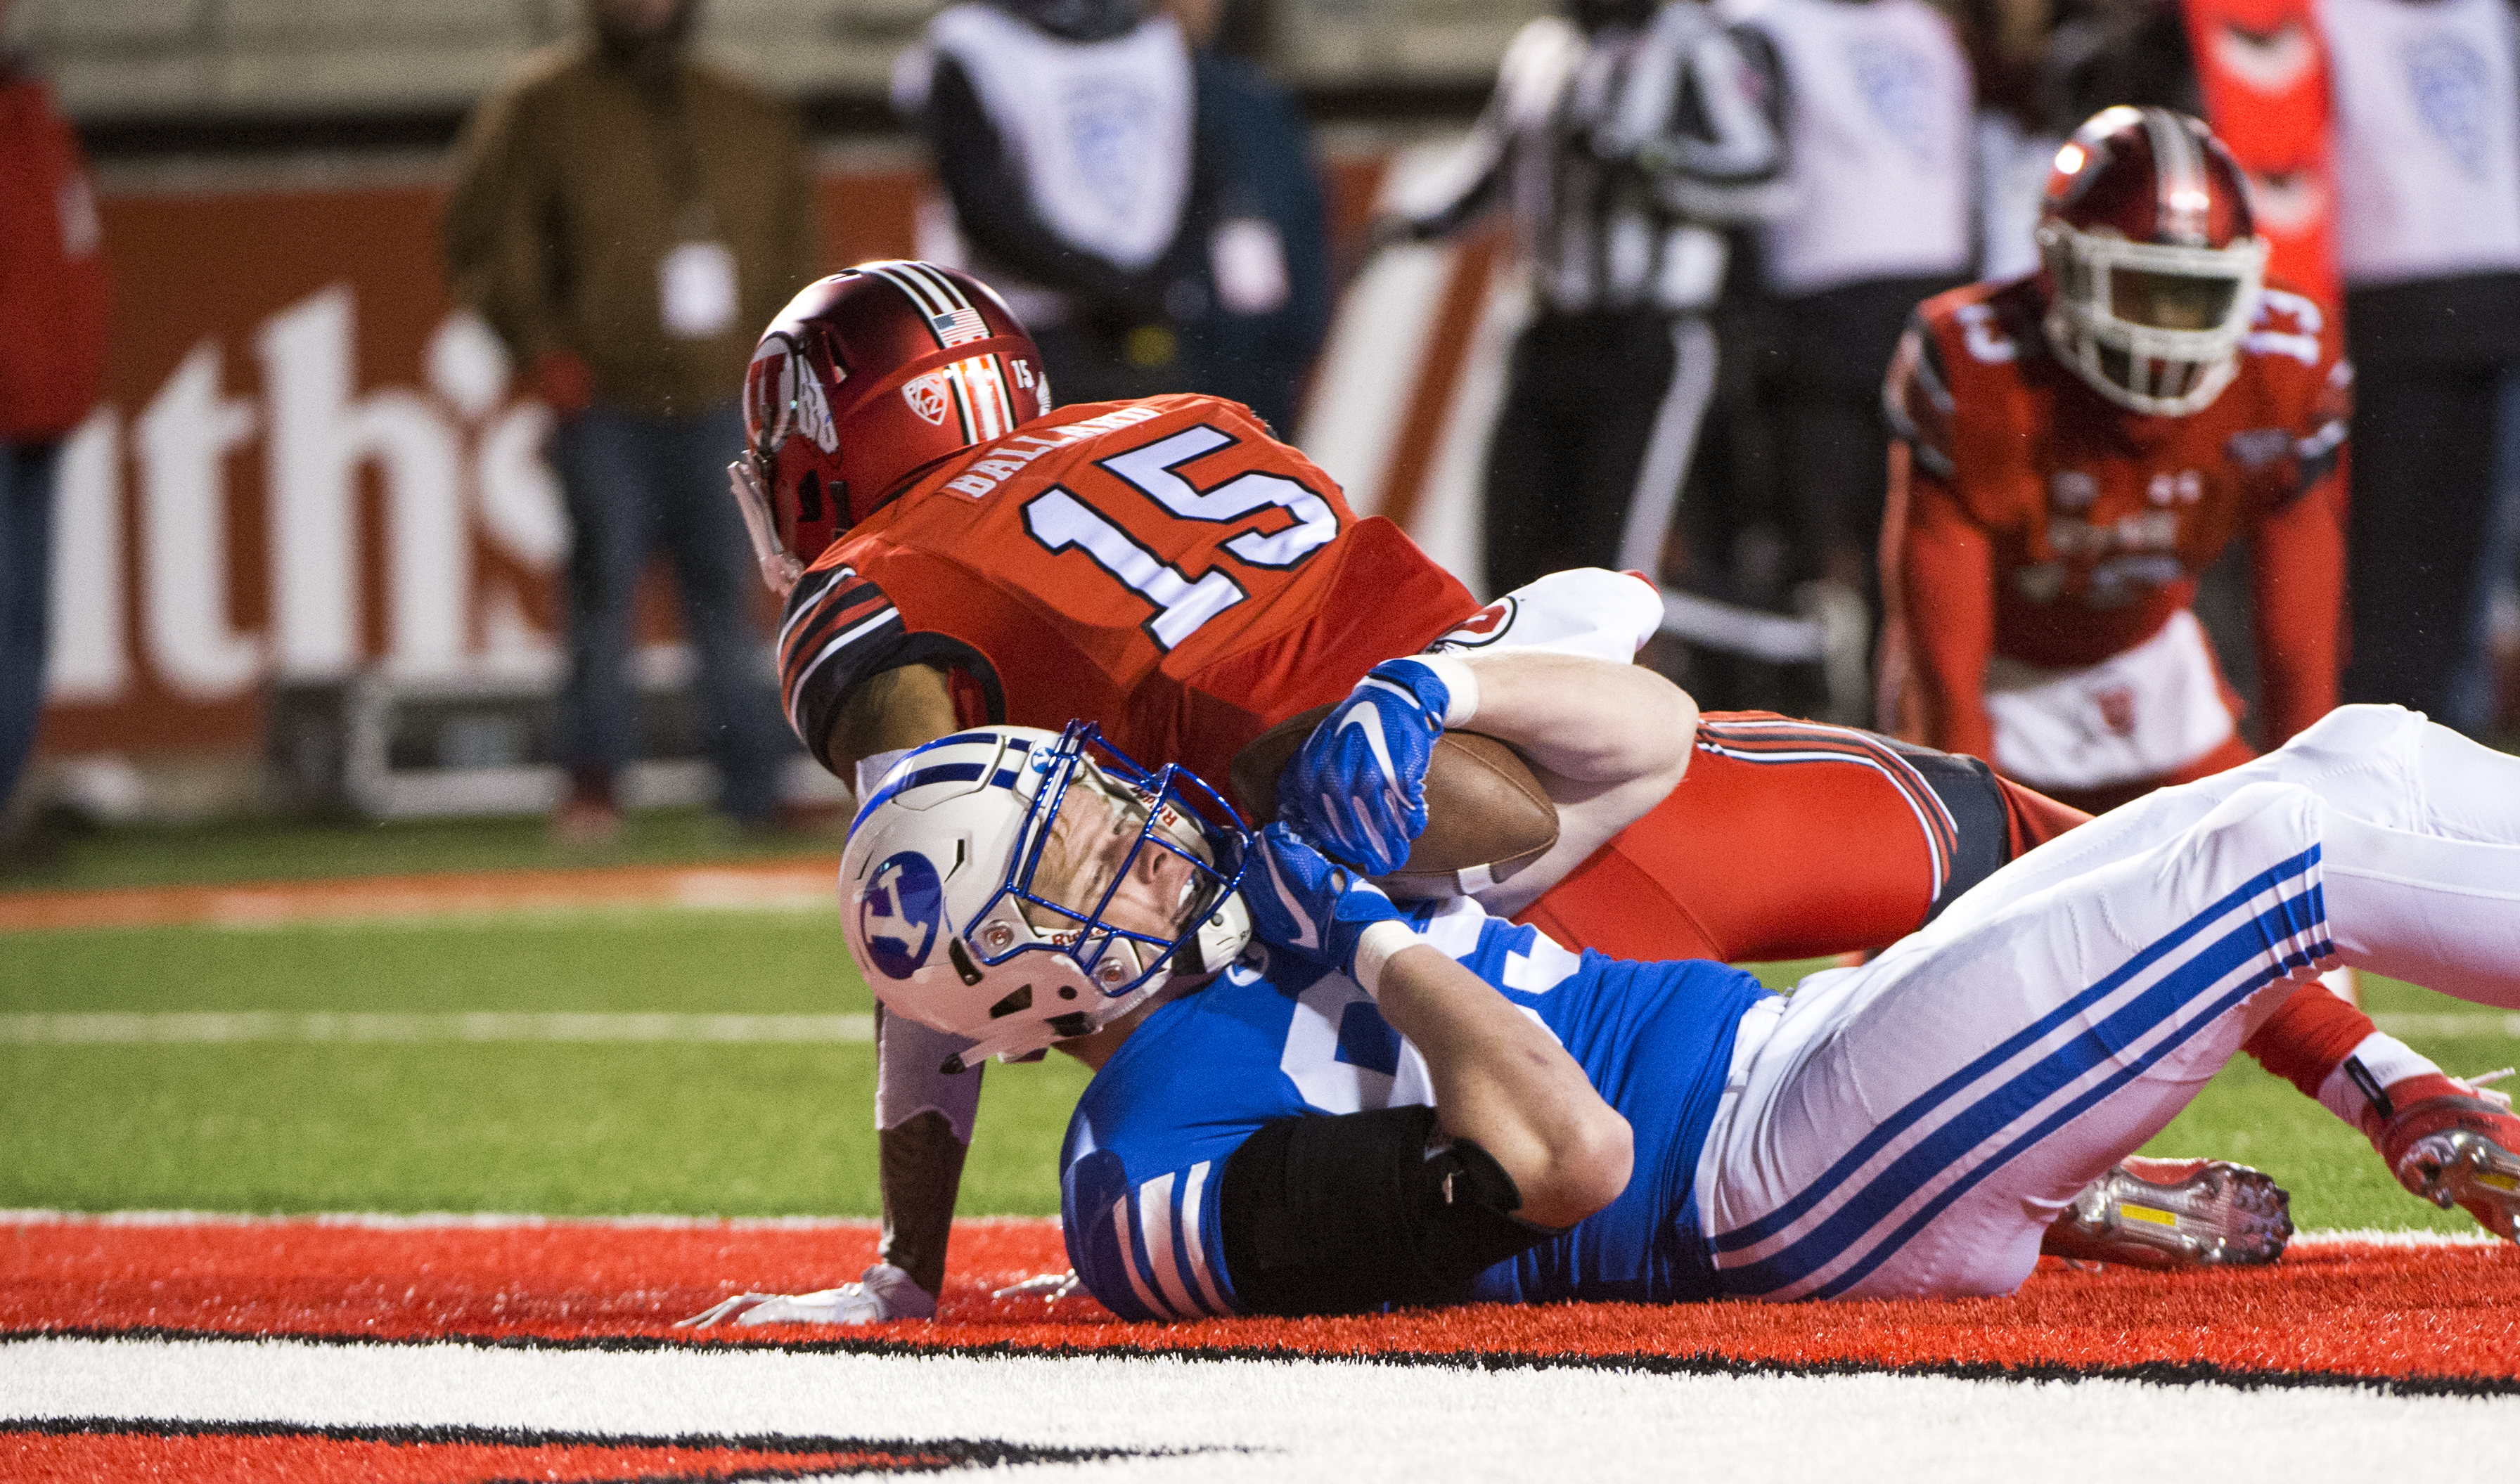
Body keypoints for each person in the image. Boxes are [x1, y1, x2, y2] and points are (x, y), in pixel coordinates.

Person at [728, 258, 2117, 1320]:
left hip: (1446, 927)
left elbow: (927, 907)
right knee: (2014, 833)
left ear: (817, 448)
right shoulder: (1180, 414)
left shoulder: (870, 579)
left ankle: (2025, 1174)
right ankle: (2312, 1060)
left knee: (1596, 1168)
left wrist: (910, 1264)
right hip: (1582, 767)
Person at [730, 662, 2520, 1323]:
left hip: (1806, 1060)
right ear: (1013, 981)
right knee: (2281, 852)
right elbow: (1566, 1156)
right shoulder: (1142, 1184)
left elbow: (1650, 727)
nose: (1127, 834)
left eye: (1097, 804)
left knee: (2347, 756)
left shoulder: (1245, 903)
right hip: (1768, 1179)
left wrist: (1442, 683)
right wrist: (1367, 931)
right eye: (1070, 858)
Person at [1880, 105, 2347, 818]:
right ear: (2057, 268)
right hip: (1997, 686)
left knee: (2276, 870)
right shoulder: (1973, 363)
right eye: (2140, 291)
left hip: (2155, 673)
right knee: (1944, 899)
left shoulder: (2286, 362)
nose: (2166, 336)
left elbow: (2297, 637)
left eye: (2194, 298)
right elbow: (1944, 663)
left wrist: (2309, 804)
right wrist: (1958, 802)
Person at [442, 0, 812, 842]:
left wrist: (777, 361)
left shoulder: (745, 105)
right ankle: (592, 784)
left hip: (721, 393)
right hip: (603, 395)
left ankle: (755, 784)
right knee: (601, 594)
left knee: (731, 592)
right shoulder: (540, 103)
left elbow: (795, 244)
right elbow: (484, 234)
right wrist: (541, 349)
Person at [1372, 0, 1791, 596]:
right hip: (1548, 329)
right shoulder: (1541, 47)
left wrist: (1648, 161)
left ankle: (1624, 685)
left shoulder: (1697, 45)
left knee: (1609, 562)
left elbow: (1764, 176)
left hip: (1648, 336)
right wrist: (1413, 223)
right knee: (1511, 553)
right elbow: (1501, 169)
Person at [2318, 0, 2520, 733]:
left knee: (2462, 583)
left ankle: (2445, 758)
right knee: (2384, 589)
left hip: (2491, 307)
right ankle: (2377, 759)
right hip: (2380, 308)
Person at [893, 0, 1217, 406]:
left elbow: (1199, 174)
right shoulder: (970, 44)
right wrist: (1114, 285)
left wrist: (1148, 285)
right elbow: (983, 210)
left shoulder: (1156, 39)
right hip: (1023, 331)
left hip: (1143, 321)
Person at [0, 13, 109, 847]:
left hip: (41, 410)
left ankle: (4, 797)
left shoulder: (34, 110)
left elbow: (66, 252)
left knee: (25, 623)